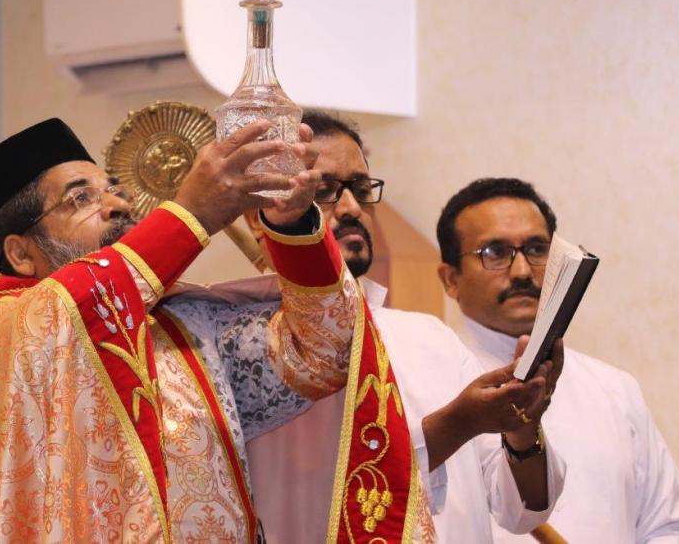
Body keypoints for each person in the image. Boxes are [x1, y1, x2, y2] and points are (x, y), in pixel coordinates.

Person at [0, 117, 425, 542]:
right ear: (20, 254)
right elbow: (72, 307)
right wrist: (192, 214)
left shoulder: (180, 324)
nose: (115, 204)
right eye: (81, 198)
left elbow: (325, 352)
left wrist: (292, 224)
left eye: (113, 188)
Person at [242, 111, 566, 542]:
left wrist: (523, 428)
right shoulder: (251, 345)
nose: (352, 208)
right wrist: (459, 423)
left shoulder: (430, 338)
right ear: (259, 215)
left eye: (361, 189)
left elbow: (520, 510)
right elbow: (320, 493)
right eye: (324, 190)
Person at [436, 177, 679, 543]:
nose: (522, 271)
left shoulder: (614, 388)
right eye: (495, 252)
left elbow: (673, 526)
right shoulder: (425, 386)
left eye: (536, 249)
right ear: (450, 279)